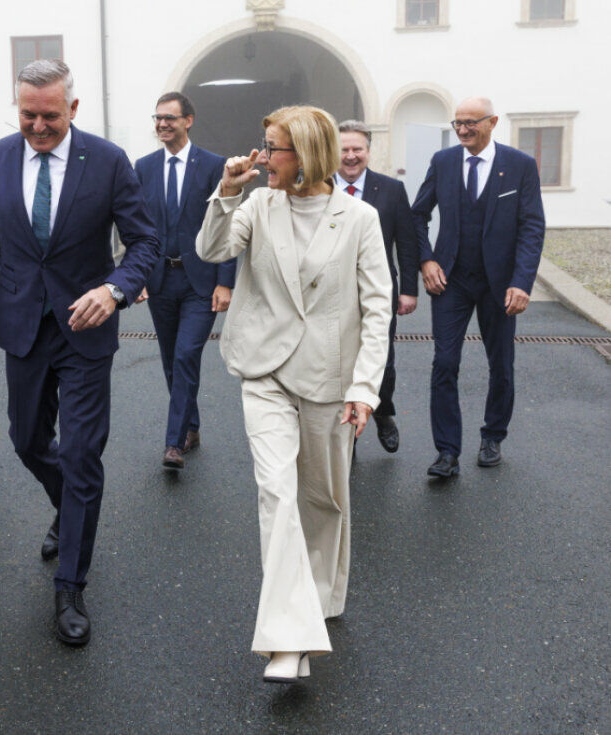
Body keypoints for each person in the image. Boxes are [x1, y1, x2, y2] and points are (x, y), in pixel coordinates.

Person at [0, 60, 159, 646]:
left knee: (84, 455)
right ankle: (69, 511)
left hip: (86, 329)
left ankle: (70, 586)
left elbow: (144, 241)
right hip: (21, 327)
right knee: (25, 442)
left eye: (49, 115)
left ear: (73, 108)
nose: (38, 126)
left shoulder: (109, 161)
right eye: (27, 114)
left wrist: (114, 289)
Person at [196, 106, 391, 683]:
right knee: (276, 493)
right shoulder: (258, 203)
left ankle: (322, 598)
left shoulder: (360, 218)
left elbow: (378, 308)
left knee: (325, 500)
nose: (261, 156)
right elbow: (212, 251)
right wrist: (225, 192)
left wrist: (365, 387)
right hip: (265, 370)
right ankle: (288, 637)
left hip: (331, 377)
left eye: (272, 147)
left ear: (304, 154)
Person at [411, 96, 545, 477]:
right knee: (444, 363)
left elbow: (532, 226)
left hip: (499, 284)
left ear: (493, 122)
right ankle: (447, 452)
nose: (464, 130)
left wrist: (522, 282)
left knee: (500, 364)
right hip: (450, 280)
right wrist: (426, 260)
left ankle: (492, 437)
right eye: (458, 123)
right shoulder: (443, 162)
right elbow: (417, 215)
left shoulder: (519, 166)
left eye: (472, 122)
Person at [134, 92, 234, 470]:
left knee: (186, 354)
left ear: (188, 120)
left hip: (200, 281)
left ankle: (173, 443)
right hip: (160, 279)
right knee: (171, 363)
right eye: (158, 118)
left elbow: (226, 223)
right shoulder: (142, 167)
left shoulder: (212, 165)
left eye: (170, 118)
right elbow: (137, 227)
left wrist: (226, 281)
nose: (162, 124)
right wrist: (137, 277)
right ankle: (191, 426)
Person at [335, 120, 419, 453]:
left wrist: (409, 289)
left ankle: (383, 412)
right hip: (333, 293)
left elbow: (407, 242)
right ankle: (346, 437)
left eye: (357, 149)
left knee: (382, 361)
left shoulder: (392, 190)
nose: (351, 156)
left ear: (369, 151)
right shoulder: (317, 187)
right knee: (339, 363)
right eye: (344, 150)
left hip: (379, 291)